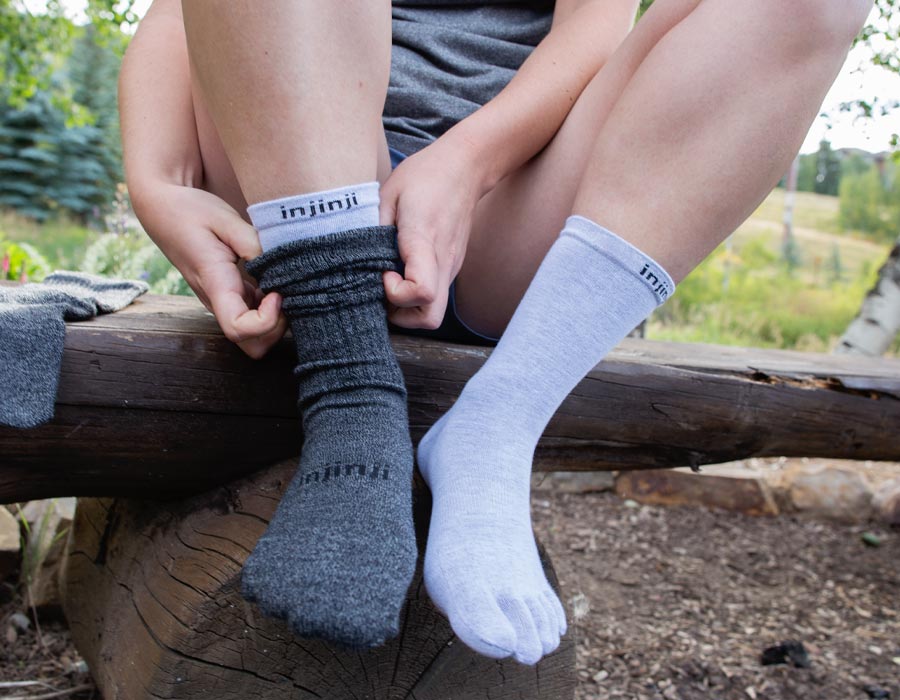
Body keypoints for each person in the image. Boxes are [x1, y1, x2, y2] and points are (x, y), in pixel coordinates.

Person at [120, 0, 873, 665]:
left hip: (504, 196)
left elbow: (595, 24)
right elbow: (173, 15)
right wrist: (156, 183)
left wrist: (465, 163)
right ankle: (351, 392)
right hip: (283, 173)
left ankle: (495, 427)